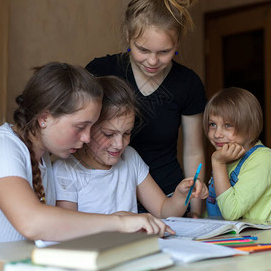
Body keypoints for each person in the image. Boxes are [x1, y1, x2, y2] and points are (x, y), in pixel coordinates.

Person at [0, 63, 173, 271]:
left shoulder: (44, 159)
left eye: (91, 127)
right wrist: (119, 222)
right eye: (80, 127)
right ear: (44, 118)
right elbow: (33, 222)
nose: (87, 138)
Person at [85, 0, 207, 217]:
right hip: (109, 194)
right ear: (128, 37)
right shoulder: (101, 71)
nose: (152, 61)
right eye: (142, 50)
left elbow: (193, 151)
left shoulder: (187, 83)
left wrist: (195, 211)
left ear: (177, 44)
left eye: (164, 52)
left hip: (168, 197)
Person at [54, 75, 208, 218]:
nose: (119, 145)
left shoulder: (130, 157)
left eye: (127, 133)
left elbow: (163, 210)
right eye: (108, 134)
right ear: (88, 127)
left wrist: (181, 195)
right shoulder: (65, 170)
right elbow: (67, 226)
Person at [204, 87, 271, 221]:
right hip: (225, 238)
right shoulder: (225, 157)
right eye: (212, 124)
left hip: (259, 240)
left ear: (250, 126)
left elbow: (231, 213)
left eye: (228, 125)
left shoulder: (263, 158)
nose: (217, 134)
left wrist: (218, 164)